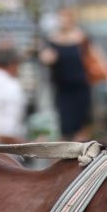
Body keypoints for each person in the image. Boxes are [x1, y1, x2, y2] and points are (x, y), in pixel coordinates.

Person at [39, 9, 95, 141]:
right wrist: (47, 58)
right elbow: (45, 57)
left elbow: (95, 56)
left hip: (81, 86)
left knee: (82, 125)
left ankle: (82, 157)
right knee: (65, 125)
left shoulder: (82, 37)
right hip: (63, 88)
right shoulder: (52, 39)